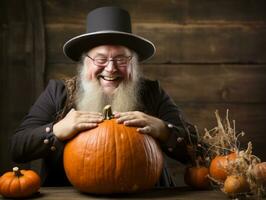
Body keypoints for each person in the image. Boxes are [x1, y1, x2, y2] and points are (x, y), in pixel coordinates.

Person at [11, 6, 196, 187]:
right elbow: (18, 148)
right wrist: (56, 130)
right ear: (85, 63)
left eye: (121, 59)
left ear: (134, 65)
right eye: (100, 59)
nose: (111, 68)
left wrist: (164, 130)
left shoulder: (152, 92)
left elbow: (198, 150)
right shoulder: (57, 92)